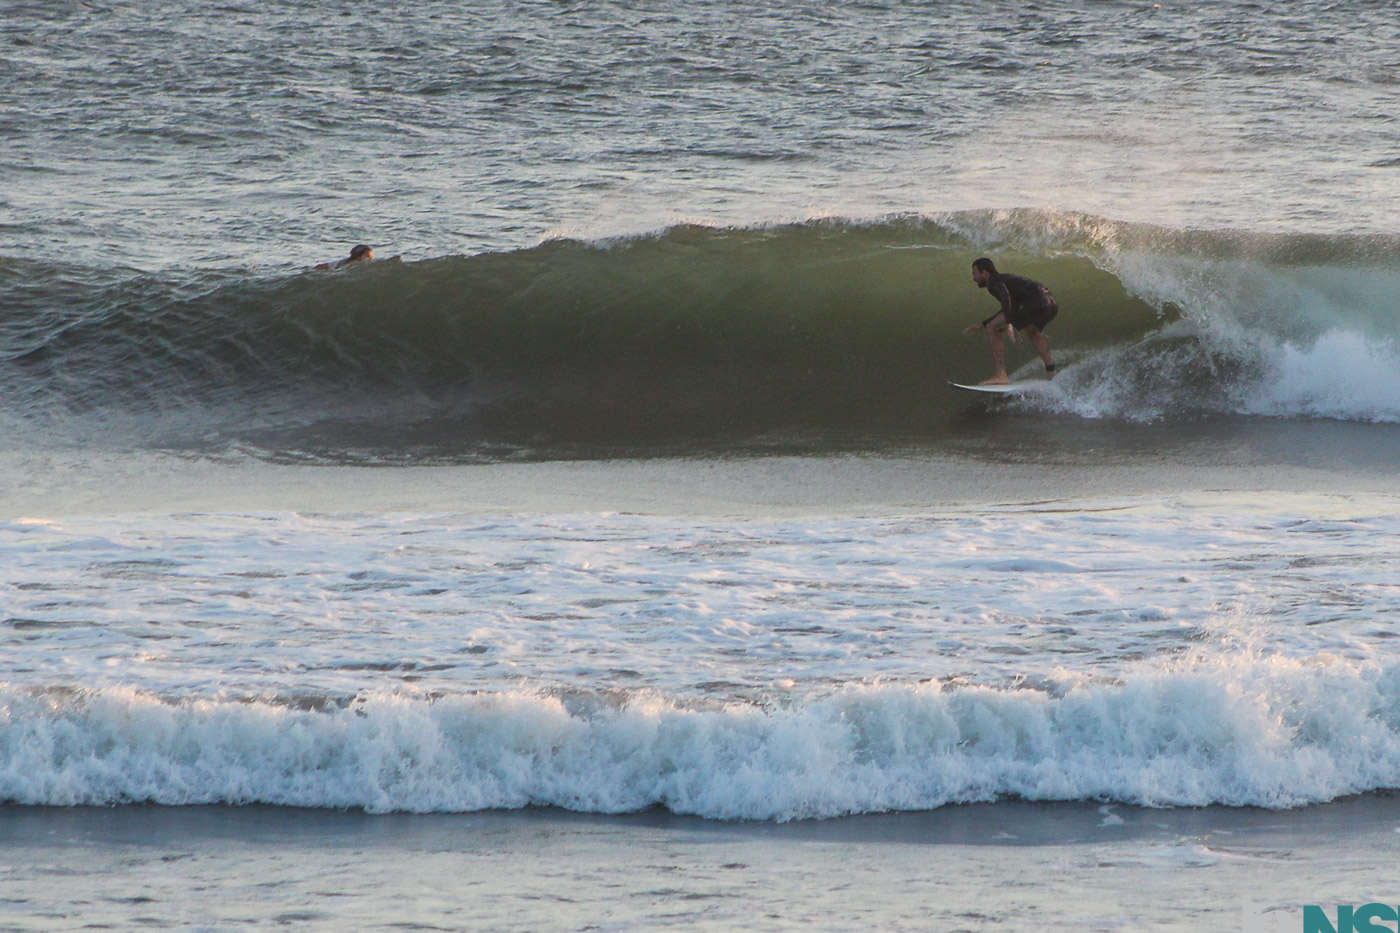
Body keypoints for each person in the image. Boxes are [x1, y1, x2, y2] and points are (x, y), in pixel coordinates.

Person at [963, 257, 1058, 384]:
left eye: (974, 273)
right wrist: (982, 324)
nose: (974, 278)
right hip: (1050, 302)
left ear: (984, 273)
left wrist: (1008, 323)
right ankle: (1051, 370)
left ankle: (1000, 375)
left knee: (993, 328)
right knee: (1032, 331)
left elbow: (1005, 298)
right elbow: (1010, 307)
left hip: (1034, 302)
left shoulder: (993, 282)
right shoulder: (1006, 279)